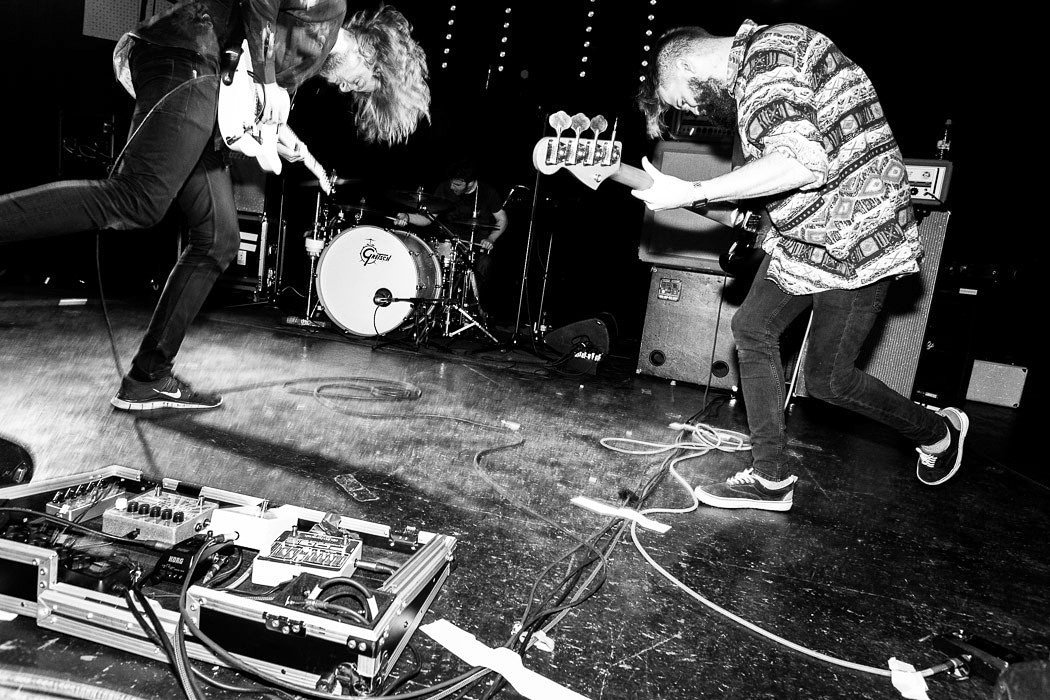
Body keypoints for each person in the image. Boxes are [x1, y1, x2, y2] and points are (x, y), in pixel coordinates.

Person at [0, 1, 430, 411]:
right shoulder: (329, 10)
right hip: (187, 53)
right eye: (360, 82)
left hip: (203, 77)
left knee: (219, 239)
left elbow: (246, 94)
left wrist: (286, 139)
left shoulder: (304, 57)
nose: (347, 88)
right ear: (372, 54)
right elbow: (260, 5)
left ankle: (147, 377)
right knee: (137, 200)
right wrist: (268, 86)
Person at [633, 21, 968, 511]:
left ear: (686, 63)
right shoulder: (764, 63)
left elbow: (801, 164)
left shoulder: (767, 62)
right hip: (807, 241)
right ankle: (770, 477)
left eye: (683, 98)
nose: (695, 110)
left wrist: (694, 191)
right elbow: (798, 164)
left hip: (855, 240)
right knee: (752, 328)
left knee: (830, 381)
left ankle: (938, 431)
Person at [394, 161, 508, 313]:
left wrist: (491, 239)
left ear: (470, 183)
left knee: (485, 264)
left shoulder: (487, 192)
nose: (452, 187)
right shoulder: (445, 188)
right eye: (452, 183)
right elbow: (427, 218)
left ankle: (475, 310)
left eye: (457, 185)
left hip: (475, 247)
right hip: (447, 246)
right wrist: (407, 217)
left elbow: (502, 219)